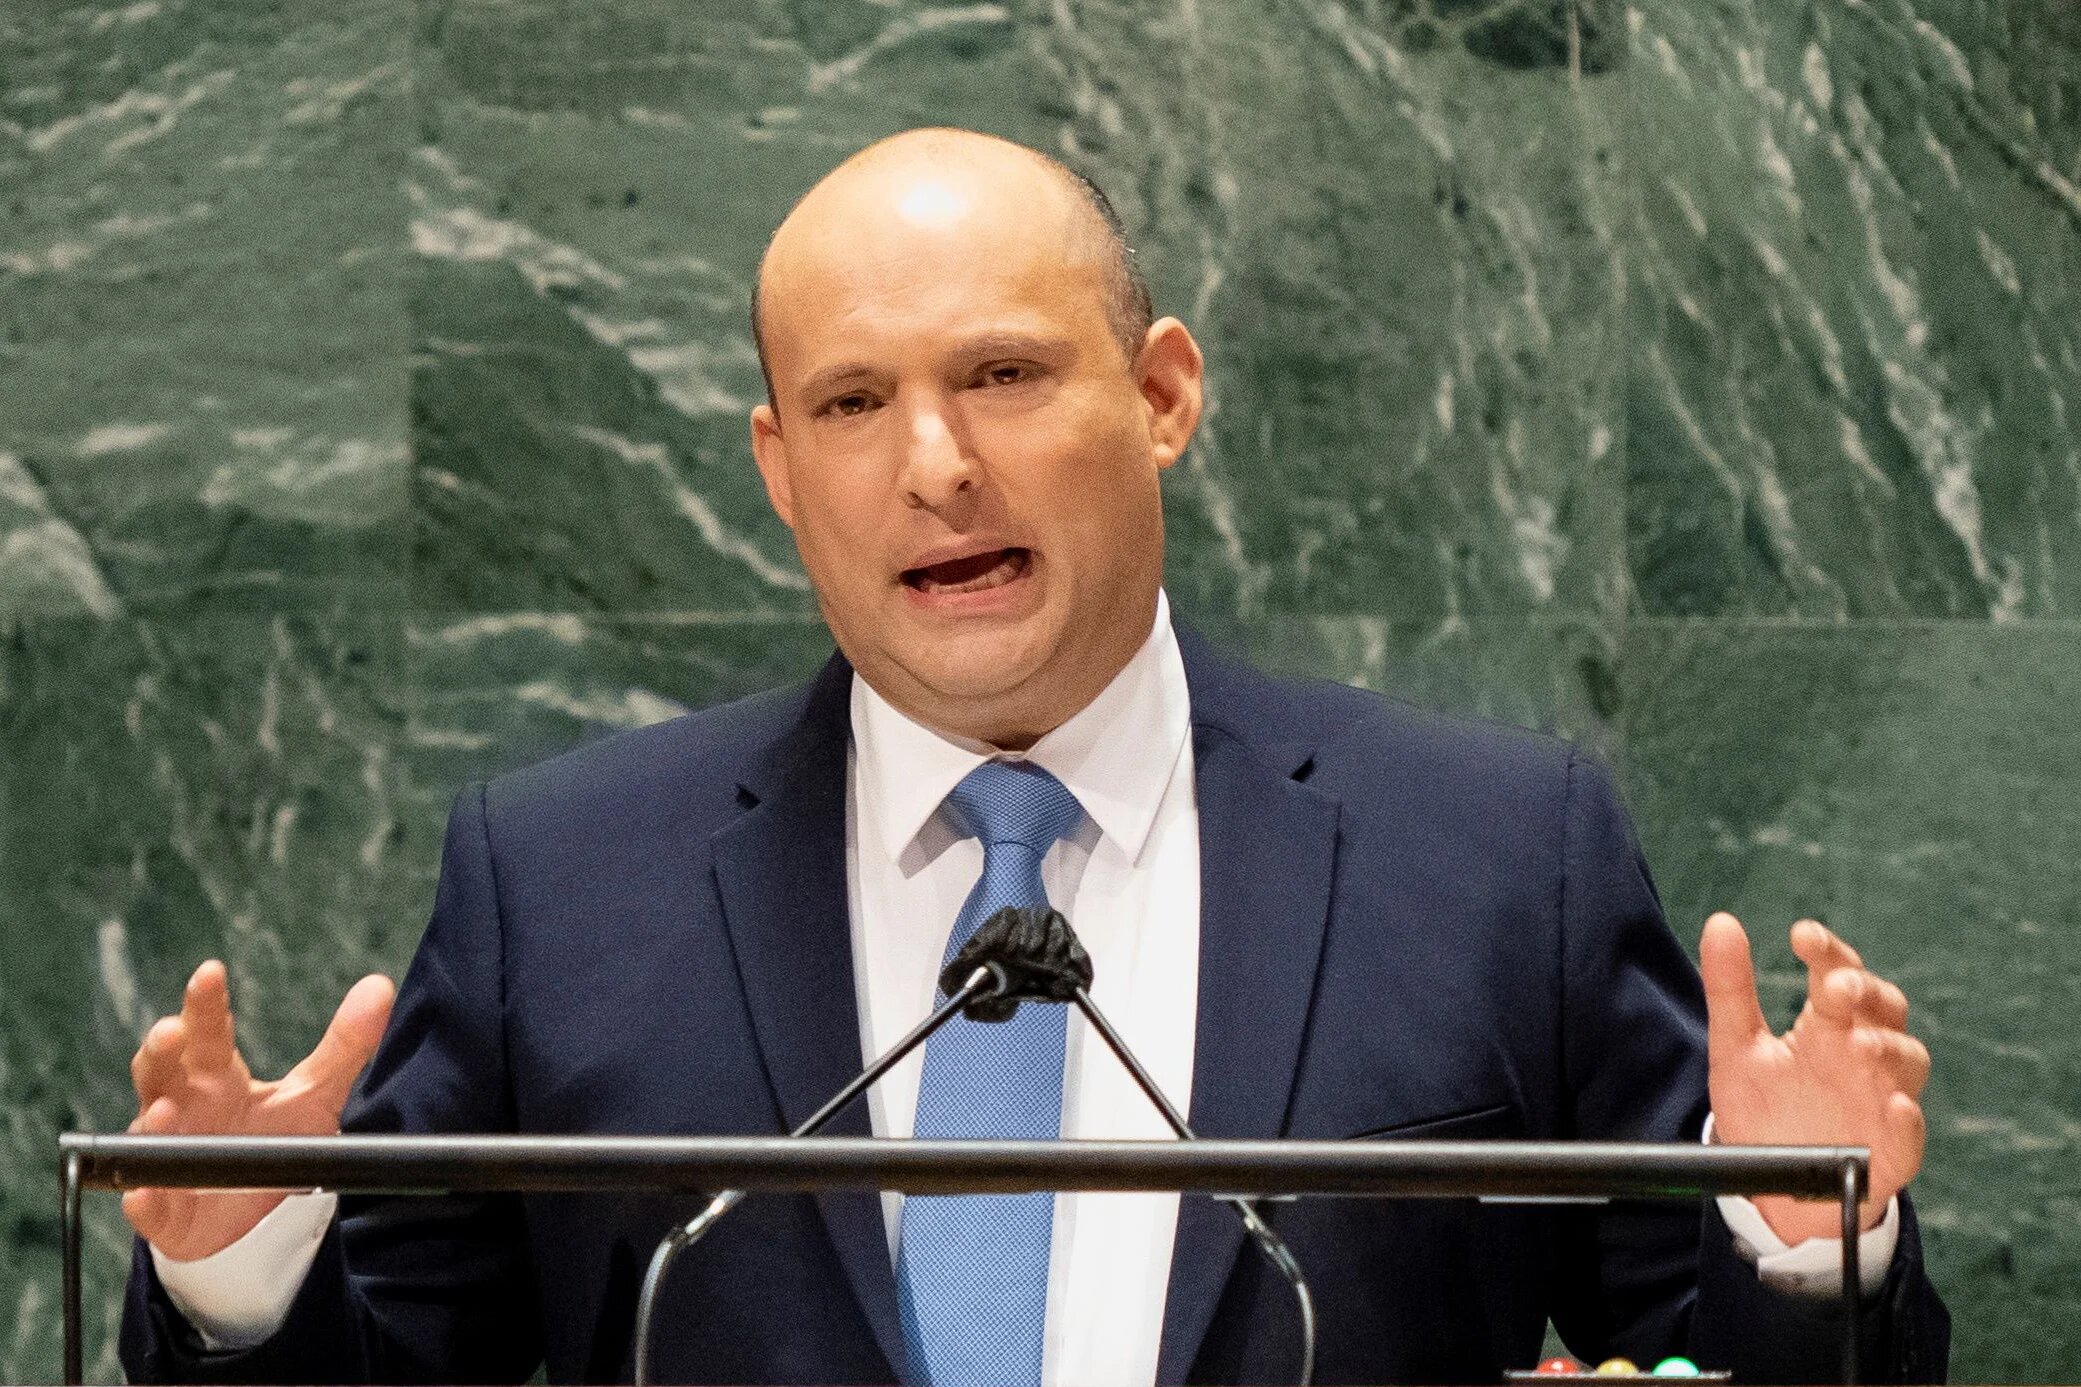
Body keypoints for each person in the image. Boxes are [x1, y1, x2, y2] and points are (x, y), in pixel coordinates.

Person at [119, 129, 1947, 1385]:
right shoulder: (563, 882)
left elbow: (1704, 1346)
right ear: (774, 470)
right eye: (851, 404)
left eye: (1000, 376)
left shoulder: (1487, 855)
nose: (932, 465)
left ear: (1159, 395)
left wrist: (1802, 1250)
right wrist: (232, 1273)